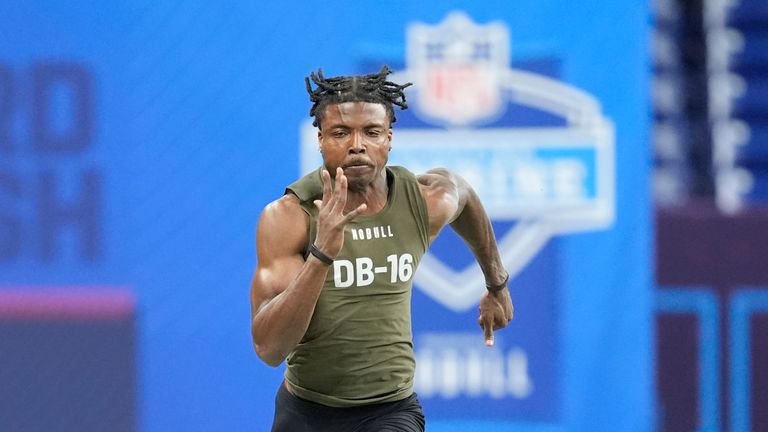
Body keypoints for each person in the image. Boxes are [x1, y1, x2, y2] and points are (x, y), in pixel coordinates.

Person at [250, 66, 514, 432]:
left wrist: (496, 284)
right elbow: (269, 349)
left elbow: (464, 196)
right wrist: (321, 255)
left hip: (390, 411)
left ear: (389, 139)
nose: (356, 144)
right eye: (340, 132)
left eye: (371, 132)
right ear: (321, 140)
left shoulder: (422, 200)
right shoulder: (291, 218)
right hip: (305, 411)